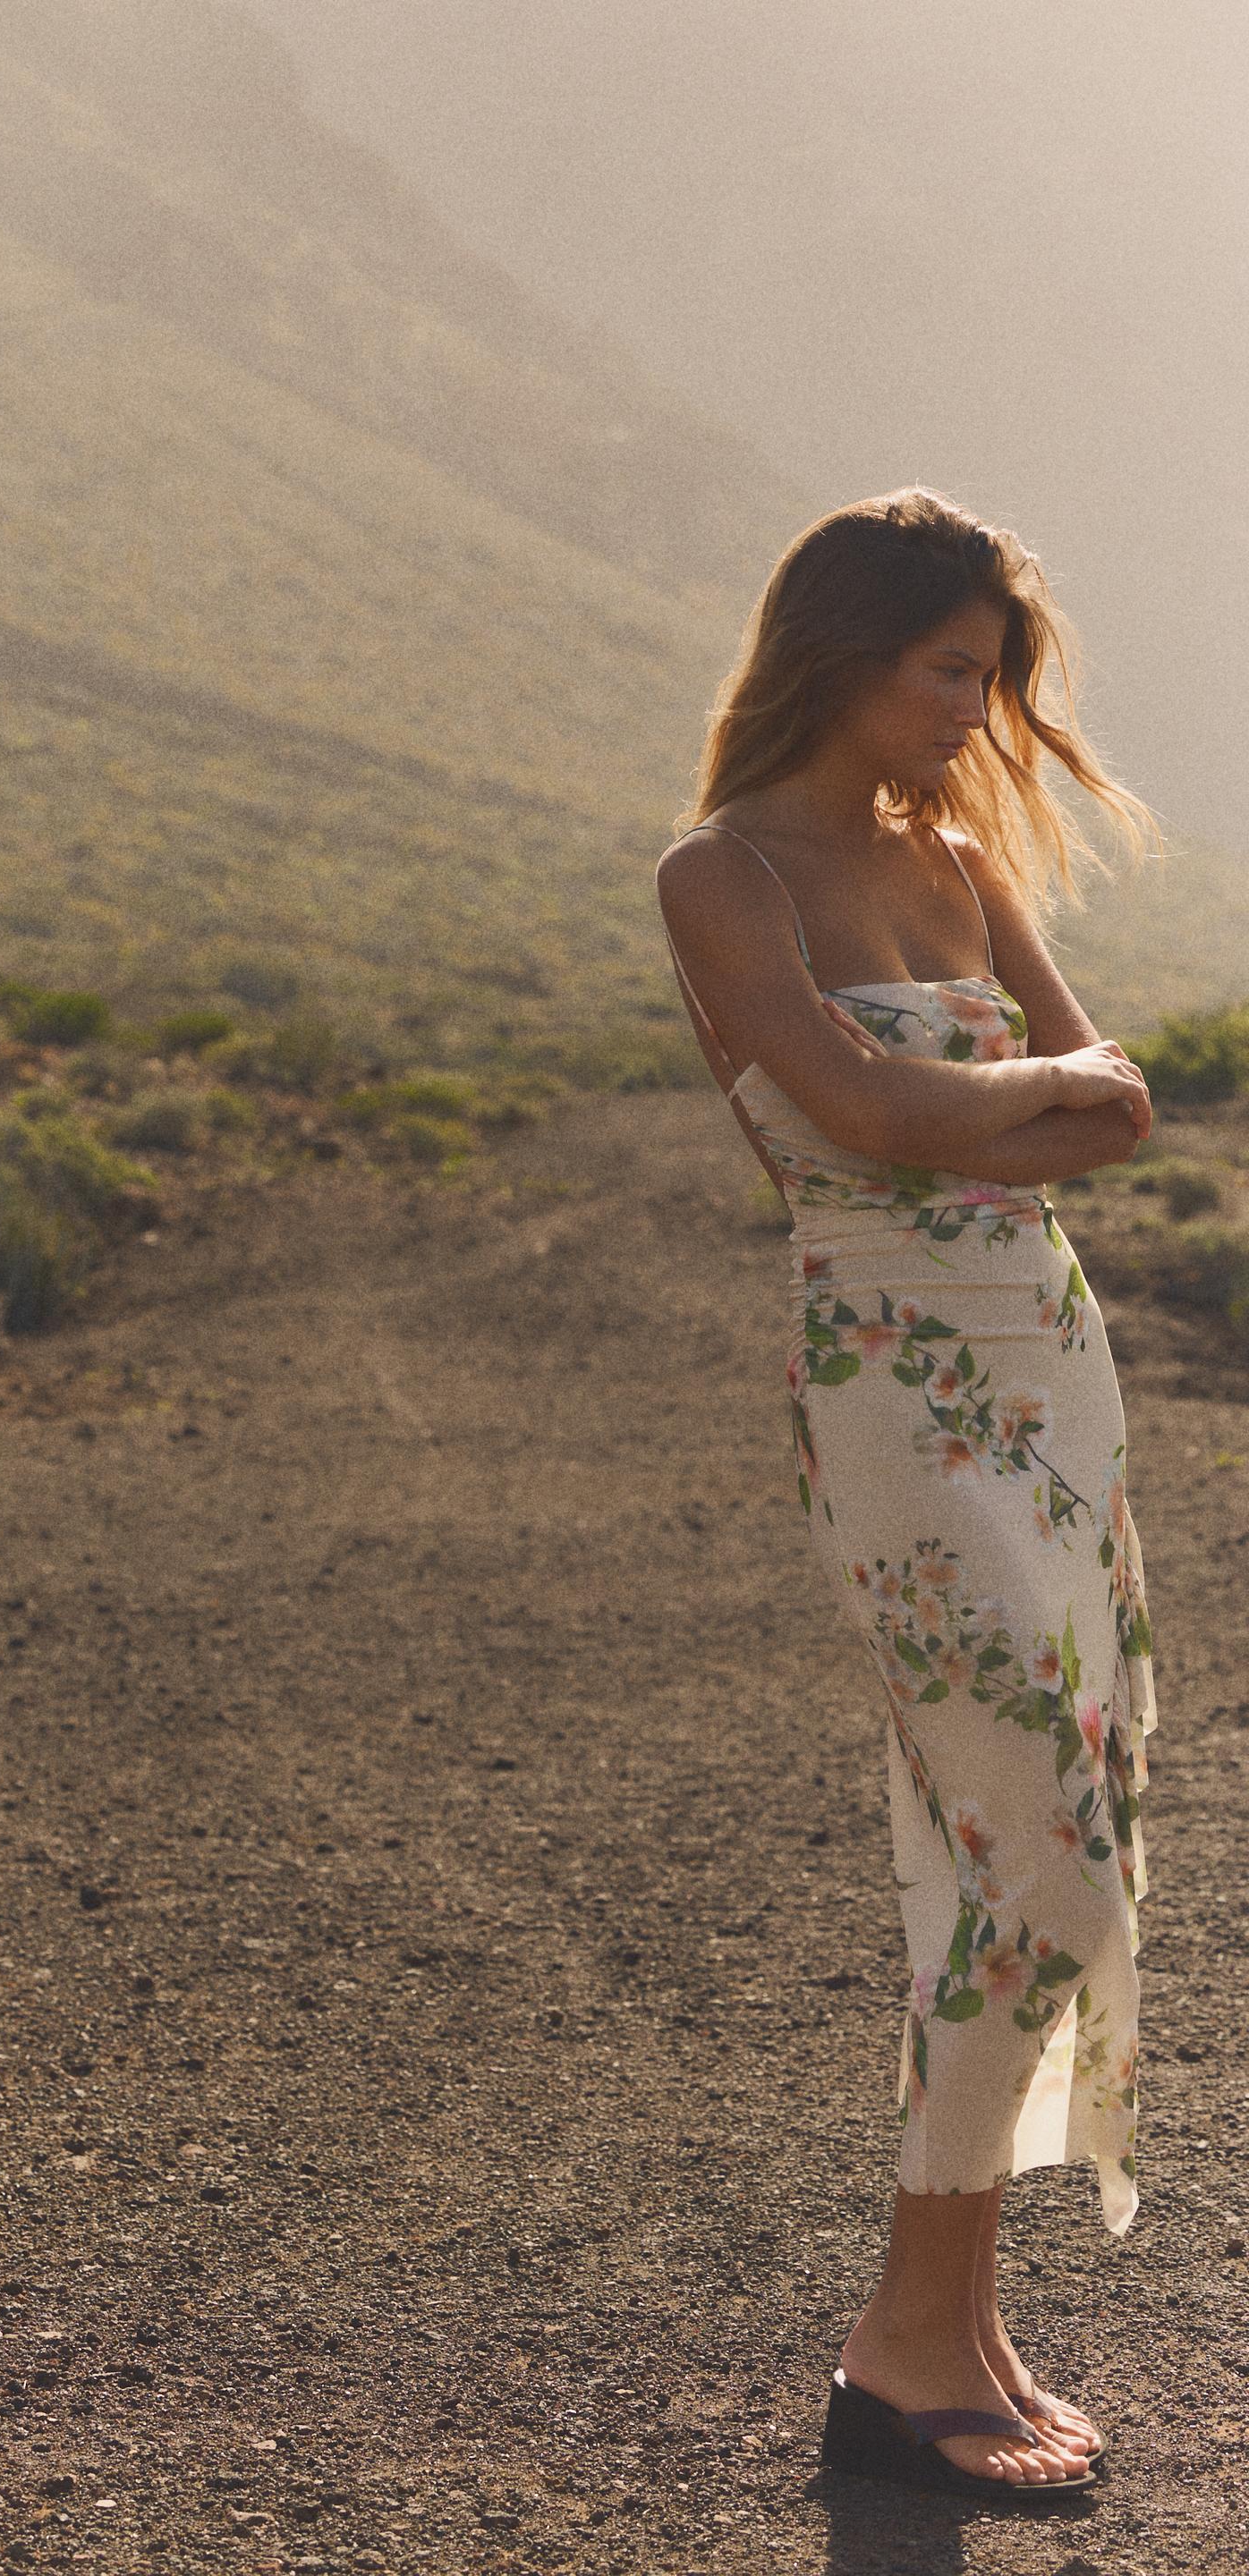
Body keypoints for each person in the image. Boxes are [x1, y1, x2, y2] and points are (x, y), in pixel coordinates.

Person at [654, 488, 1160, 2507]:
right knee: (1034, 1845)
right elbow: (861, 1116)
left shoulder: (957, 859)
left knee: (1055, 1848)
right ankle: (896, 2345)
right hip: (890, 1392)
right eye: (948, 669)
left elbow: (1116, 1103)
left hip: (1055, 1369)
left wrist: (1003, 1116)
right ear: (840, 651)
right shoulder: (724, 875)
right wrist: (1018, 1109)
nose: (974, 711)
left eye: (991, 676)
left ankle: (948, 2330)